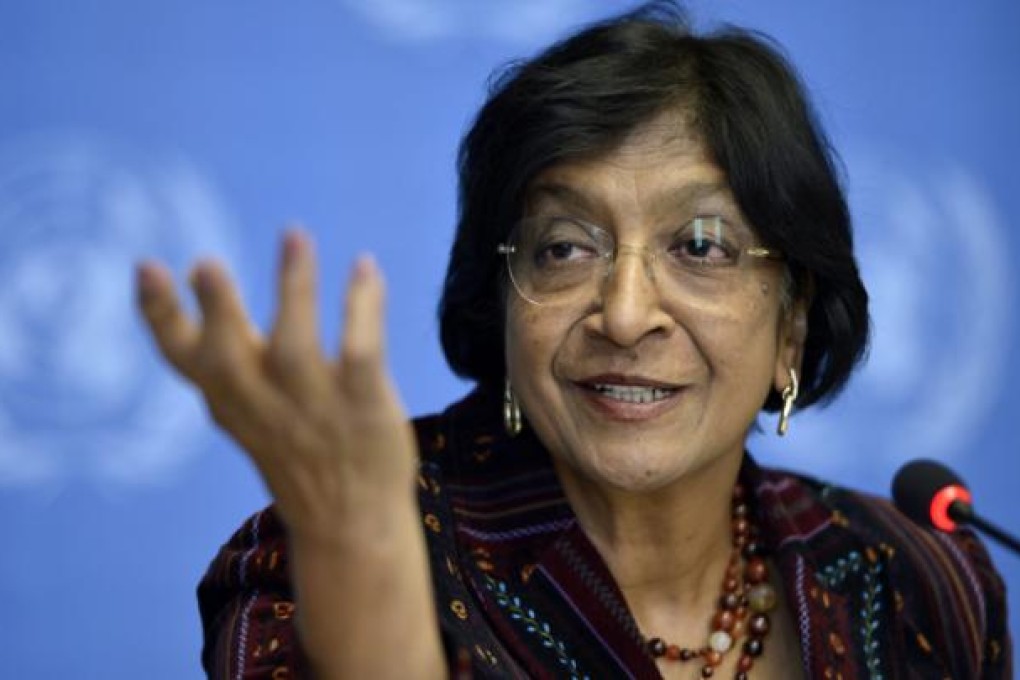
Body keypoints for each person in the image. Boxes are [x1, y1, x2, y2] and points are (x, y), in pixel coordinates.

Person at [137, 2, 1011, 678]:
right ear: (503, 294)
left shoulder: (918, 581)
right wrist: (363, 551)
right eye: (564, 247)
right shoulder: (322, 557)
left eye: (699, 245)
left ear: (792, 324)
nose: (625, 315)